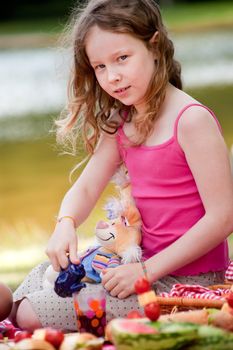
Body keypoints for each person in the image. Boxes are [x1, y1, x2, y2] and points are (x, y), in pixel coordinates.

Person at [12, 0, 233, 332]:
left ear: (154, 46)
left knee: (30, 314)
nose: (112, 76)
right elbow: (86, 187)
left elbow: (223, 217)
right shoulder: (122, 121)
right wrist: (66, 222)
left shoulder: (191, 121)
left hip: (187, 281)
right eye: (100, 67)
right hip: (137, 265)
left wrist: (146, 271)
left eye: (122, 59)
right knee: (33, 285)